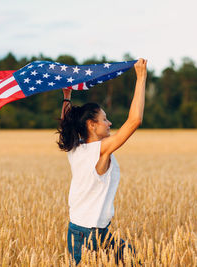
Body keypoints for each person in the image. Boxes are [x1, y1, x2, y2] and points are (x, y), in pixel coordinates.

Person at [57, 58, 147, 265]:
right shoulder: (100, 150)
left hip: (88, 231)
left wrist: (67, 97)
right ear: (91, 125)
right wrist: (141, 78)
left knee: (135, 261)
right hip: (88, 234)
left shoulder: (76, 146)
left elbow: (66, 124)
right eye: (104, 119)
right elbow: (134, 121)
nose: (110, 123)